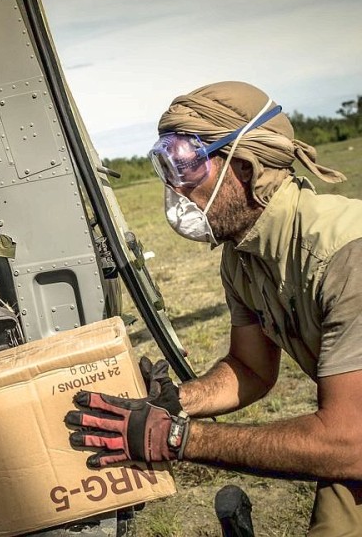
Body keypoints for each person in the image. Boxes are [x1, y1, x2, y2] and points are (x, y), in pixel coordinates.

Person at [65, 81, 362, 535]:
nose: (174, 188)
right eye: (165, 166)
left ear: (245, 166)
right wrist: (174, 403)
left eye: (186, 166)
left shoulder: (345, 253)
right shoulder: (242, 255)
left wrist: (177, 439)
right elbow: (251, 368)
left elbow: (348, 442)